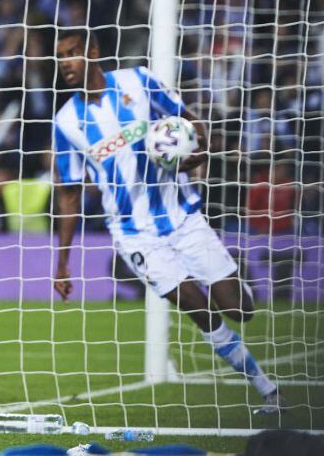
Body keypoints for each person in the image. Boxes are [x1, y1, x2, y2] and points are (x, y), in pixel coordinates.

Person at [51, 28, 283, 411]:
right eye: (60, 58)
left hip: (182, 216)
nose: (65, 65)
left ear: (93, 50)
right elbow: (70, 191)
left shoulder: (138, 81)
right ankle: (267, 389)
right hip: (133, 233)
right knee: (196, 305)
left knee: (239, 308)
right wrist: (62, 262)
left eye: (72, 53)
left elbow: (189, 121)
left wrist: (198, 153)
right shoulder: (66, 122)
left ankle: (257, 369)